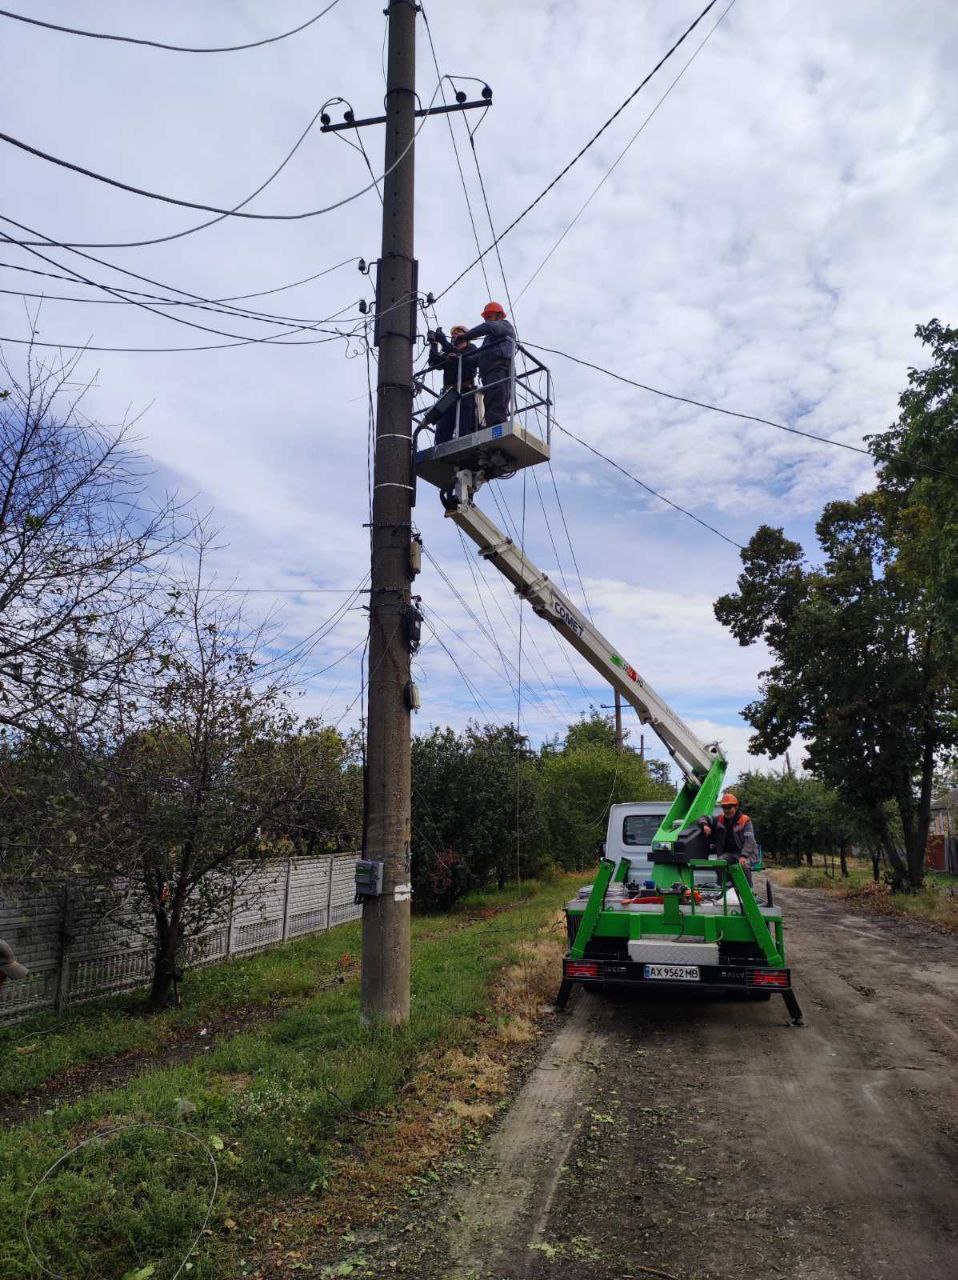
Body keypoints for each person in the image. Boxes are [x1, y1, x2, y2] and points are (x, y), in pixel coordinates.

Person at [460, 302, 516, 428]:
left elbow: (489, 327)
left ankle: (497, 428)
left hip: (500, 370)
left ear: (499, 316)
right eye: (485, 318)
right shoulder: (488, 340)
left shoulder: (505, 326)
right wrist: (457, 354)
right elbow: (475, 358)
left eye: (489, 317)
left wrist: (466, 336)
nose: (486, 320)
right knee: (490, 402)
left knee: (496, 402)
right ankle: (493, 426)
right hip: (489, 375)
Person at [426, 324, 479, 443]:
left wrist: (443, 341)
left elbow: (466, 359)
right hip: (448, 394)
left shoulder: (471, 348)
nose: (455, 334)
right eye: (453, 333)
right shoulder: (449, 352)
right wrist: (434, 343)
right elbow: (434, 362)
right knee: (443, 429)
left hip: (464, 392)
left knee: (464, 427)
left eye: (459, 331)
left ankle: (464, 451)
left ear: (466, 336)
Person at [702, 793, 760, 884]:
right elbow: (703, 817)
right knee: (718, 863)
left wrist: (744, 856)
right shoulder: (719, 820)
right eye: (724, 808)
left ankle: (749, 890)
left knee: (743, 867)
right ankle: (726, 887)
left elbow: (750, 840)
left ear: (736, 807)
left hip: (746, 853)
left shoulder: (745, 820)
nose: (726, 810)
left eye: (729, 807)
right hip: (730, 854)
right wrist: (705, 825)